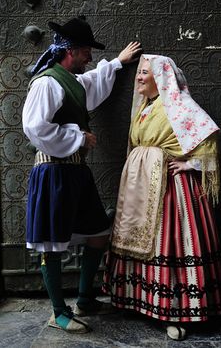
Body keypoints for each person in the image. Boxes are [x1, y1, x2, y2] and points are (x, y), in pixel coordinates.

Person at [22, 16, 141, 332]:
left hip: (77, 172)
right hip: (52, 171)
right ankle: (58, 313)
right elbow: (35, 126)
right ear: (72, 50)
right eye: (87, 50)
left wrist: (116, 62)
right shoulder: (46, 82)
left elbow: (89, 87)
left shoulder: (70, 80)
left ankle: (85, 298)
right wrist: (78, 136)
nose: (90, 57)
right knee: (51, 243)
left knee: (99, 232)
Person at [103, 54, 221, 340]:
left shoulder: (177, 105)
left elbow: (208, 138)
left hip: (171, 189)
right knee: (137, 237)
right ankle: (137, 300)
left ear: (160, 77)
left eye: (144, 73)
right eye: (138, 72)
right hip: (140, 185)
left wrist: (190, 164)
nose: (138, 77)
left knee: (170, 242)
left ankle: (175, 310)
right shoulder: (146, 108)